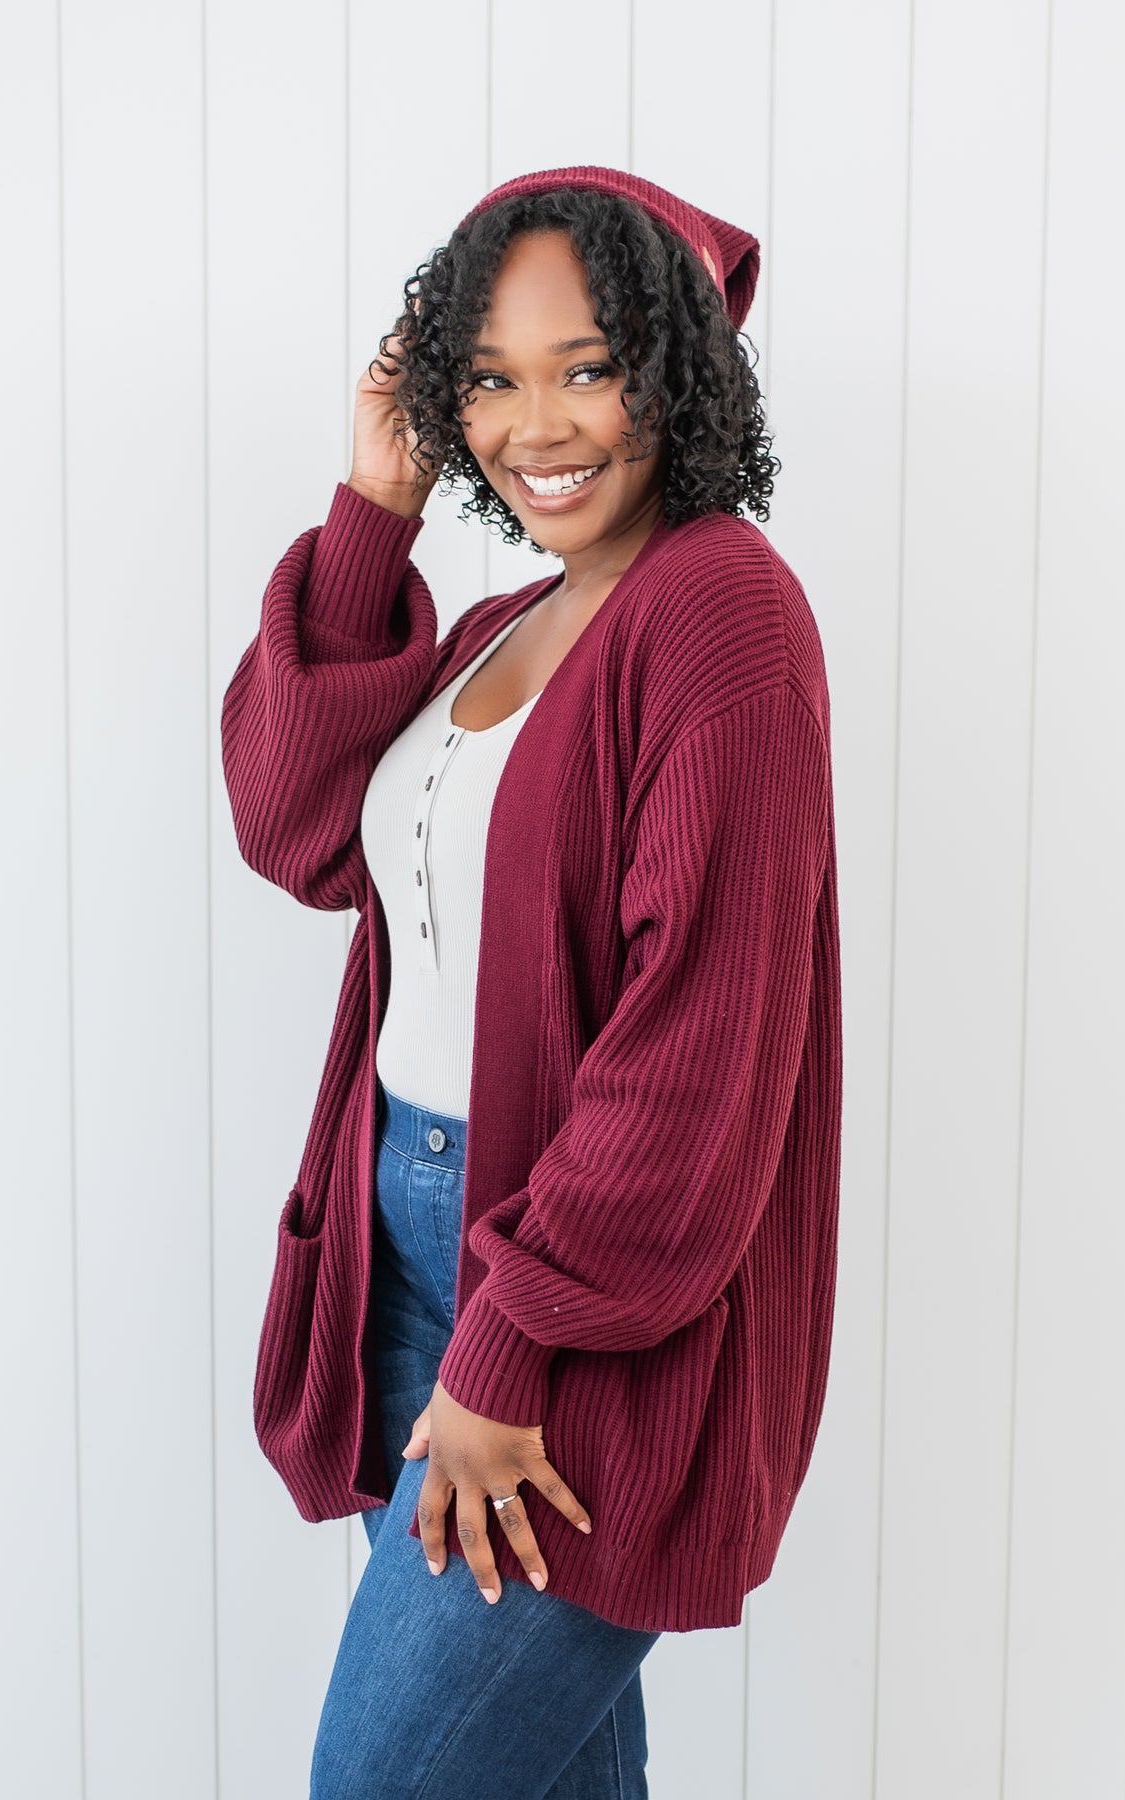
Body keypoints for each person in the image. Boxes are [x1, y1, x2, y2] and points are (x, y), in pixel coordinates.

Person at [220, 165, 843, 1800]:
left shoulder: (722, 614)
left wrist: (513, 1345)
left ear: (678, 369)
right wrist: (375, 505)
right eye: (488, 377)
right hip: (406, 1248)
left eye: (588, 364)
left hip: (566, 1308)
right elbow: (293, 825)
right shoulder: (507, 622)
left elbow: (696, 1053)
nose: (535, 422)